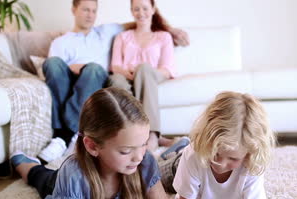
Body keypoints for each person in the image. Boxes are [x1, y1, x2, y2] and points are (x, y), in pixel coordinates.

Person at [10, 87, 206, 199]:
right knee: (42, 178)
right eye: (125, 151)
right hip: (62, 187)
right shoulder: (73, 175)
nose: (138, 157)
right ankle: (24, 163)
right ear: (92, 146)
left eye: (144, 144)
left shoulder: (144, 161)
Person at [39, 0, 189, 162]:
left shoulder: (106, 31)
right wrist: (73, 67)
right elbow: (54, 75)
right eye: (85, 10)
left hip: (94, 78)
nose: (90, 15)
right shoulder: (60, 42)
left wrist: (169, 29)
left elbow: (140, 20)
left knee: (94, 69)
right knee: (51, 63)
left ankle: (64, 136)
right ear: (74, 10)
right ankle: (64, 136)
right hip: (69, 80)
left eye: (93, 11)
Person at [166, 91, 276, 199]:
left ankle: (179, 144)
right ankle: (177, 147)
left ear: (248, 155)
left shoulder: (251, 166)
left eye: (232, 158)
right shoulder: (193, 155)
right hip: (178, 166)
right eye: (216, 153)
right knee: (154, 173)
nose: (220, 164)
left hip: (196, 161)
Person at [109, 0, 177, 152]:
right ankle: (128, 136)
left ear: (153, 9)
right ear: (132, 11)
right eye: (136, 9)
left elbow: (167, 69)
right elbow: (115, 66)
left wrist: (141, 72)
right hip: (126, 75)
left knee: (144, 69)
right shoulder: (122, 36)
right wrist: (132, 74)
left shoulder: (163, 36)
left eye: (145, 8)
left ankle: (151, 134)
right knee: (116, 81)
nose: (141, 13)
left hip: (152, 75)